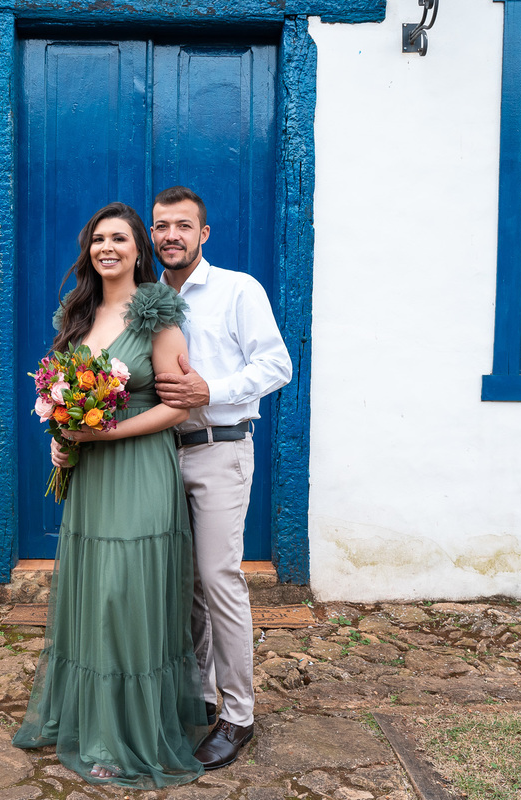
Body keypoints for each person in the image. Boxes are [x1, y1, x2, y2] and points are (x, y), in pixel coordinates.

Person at [12, 202, 207, 788]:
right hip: (90, 477)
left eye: (119, 238)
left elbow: (180, 404)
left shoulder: (157, 312)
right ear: (88, 249)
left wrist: (106, 431)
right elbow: (64, 398)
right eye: (99, 238)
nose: (108, 248)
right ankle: (90, 721)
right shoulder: (79, 311)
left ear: (137, 249)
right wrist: (61, 438)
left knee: (127, 592)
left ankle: (129, 734)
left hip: (140, 467)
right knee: (94, 593)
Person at [151, 186, 292, 770]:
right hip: (160, 455)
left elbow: (277, 365)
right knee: (185, 584)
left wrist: (213, 389)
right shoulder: (149, 299)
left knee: (219, 578)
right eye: (161, 226)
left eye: (183, 225)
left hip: (220, 449)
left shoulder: (237, 289)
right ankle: (203, 696)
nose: (170, 235)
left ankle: (239, 716)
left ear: (203, 234)